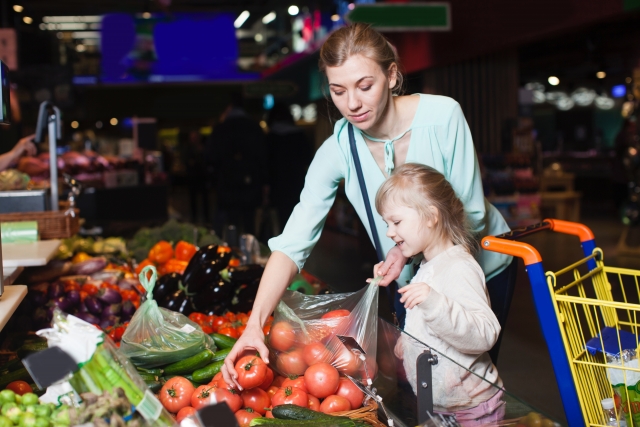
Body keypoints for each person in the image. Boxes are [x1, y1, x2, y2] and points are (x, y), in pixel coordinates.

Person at [221, 23, 512, 387]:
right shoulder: (339, 149)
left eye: (365, 86)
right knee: (424, 387)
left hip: (478, 265)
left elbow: (470, 214)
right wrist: (253, 324)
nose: (352, 104)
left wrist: (404, 254)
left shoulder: (443, 117)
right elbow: (293, 242)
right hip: (412, 280)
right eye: (338, 91)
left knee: (468, 383)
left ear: (391, 75)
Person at [373, 163, 503, 424]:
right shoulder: (427, 265)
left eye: (396, 221)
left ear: (432, 216)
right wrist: (409, 343)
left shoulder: (459, 267)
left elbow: (485, 333)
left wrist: (434, 303)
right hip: (441, 403)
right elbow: (432, 328)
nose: (389, 232)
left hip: (474, 409)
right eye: (387, 223)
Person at [206, 93, 268, 237]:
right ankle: (250, 254)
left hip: (227, 184)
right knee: (249, 223)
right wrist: (264, 182)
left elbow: (211, 157)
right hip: (250, 184)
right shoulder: (254, 127)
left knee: (230, 224)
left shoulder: (221, 128)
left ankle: (232, 255)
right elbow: (263, 157)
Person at [265, 102, 313, 230]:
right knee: (298, 217)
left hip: (278, 184)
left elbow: (266, 164)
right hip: (297, 182)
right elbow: (308, 159)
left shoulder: (271, 137)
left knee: (281, 220)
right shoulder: (299, 135)